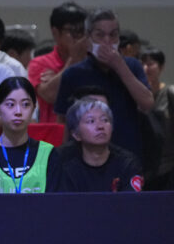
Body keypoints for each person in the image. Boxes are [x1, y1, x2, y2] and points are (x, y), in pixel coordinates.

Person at [54, 9, 153, 161]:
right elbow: (64, 120)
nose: (107, 41)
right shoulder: (73, 73)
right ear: (88, 38)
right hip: (84, 159)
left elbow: (147, 104)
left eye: (113, 35)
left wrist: (119, 66)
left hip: (127, 156)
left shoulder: (132, 66)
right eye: (100, 35)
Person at [56, 98, 143, 192]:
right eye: (91, 121)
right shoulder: (61, 161)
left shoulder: (127, 163)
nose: (100, 126)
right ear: (76, 134)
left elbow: (132, 200)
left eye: (105, 120)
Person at [27, 1, 88, 124]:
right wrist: (73, 60)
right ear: (55, 32)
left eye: (82, 30)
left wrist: (57, 78)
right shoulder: (39, 63)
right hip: (53, 131)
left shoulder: (93, 61)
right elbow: (50, 95)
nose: (79, 36)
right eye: (73, 30)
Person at [140, 47, 173, 190]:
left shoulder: (169, 93)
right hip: (144, 163)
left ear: (161, 67)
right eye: (143, 63)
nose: (146, 68)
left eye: (150, 64)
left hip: (167, 164)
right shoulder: (136, 94)